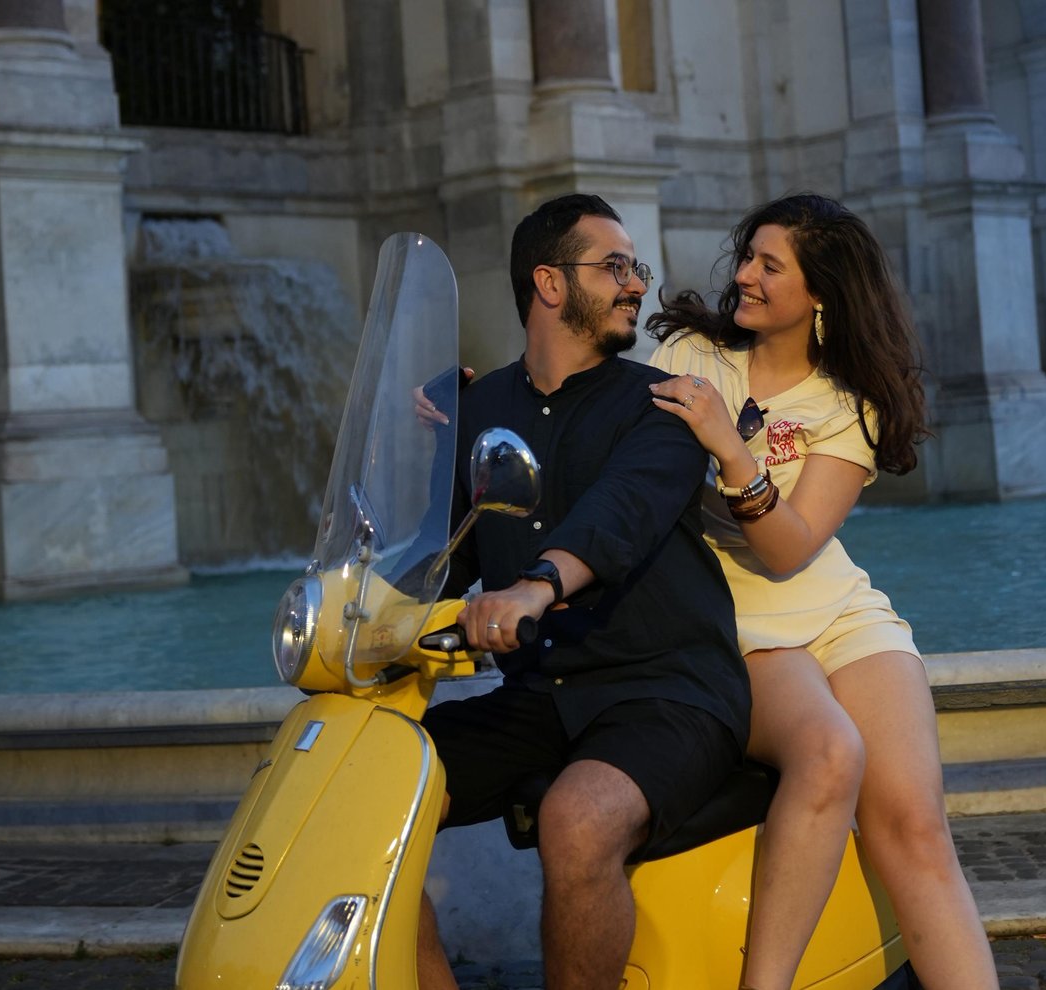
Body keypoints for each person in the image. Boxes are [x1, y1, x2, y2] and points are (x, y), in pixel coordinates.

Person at [646, 192, 999, 990]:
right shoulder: (689, 358)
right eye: (748, 256)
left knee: (915, 827)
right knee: (831, 752)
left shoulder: (848, 403)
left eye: (770, 266)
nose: (745, 274)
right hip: (739, 625)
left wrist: (730, 449)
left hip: (839, 611)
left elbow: (790, 546)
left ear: (821, 296)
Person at [417, 193, 752, 990]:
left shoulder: (665, 406)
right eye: (615, 267)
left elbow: (620, 513)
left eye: (636, 267)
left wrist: (537, 585)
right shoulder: (478, 411)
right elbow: (443, 563)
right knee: (362, 787)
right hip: (543, 696)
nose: (637, 284)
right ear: (550, 282)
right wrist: (410, 467)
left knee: (577, 819)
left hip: (667, 691)